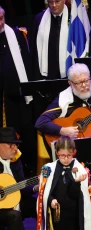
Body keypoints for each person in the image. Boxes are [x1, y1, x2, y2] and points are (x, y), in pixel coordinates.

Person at [36, 136, 91, 230]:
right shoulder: (49, 169)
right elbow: (45, 193)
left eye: (69, 155)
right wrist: (51, 200)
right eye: (63, 155)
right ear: (57, 152)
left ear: (74, 152)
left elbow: (77, 196)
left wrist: (76, 182)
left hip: (74, 215)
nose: (66, 159)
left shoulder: (80, 169)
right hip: (58, 216)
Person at [0, 6, 36, 171]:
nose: (0, 22)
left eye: (1, 18)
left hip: (17, 94)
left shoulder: (16, 34)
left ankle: (23, 166)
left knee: (21, 129)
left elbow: (26, 61)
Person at [0, 127, 35, 230]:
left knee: (41, 203)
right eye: (11, 145)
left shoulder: (16, 161)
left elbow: (20, 185)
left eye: (16, 145)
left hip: (15, 202)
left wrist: (36, 187)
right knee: (14, 216)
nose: (15, 149)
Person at [31, 0, 71, 81]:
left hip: (69, 73)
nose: (53, 5)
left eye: (57, 1)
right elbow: (34, 49)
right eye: (50, 2)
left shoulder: (73, 17)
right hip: (48, 72)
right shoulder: (39, 19)